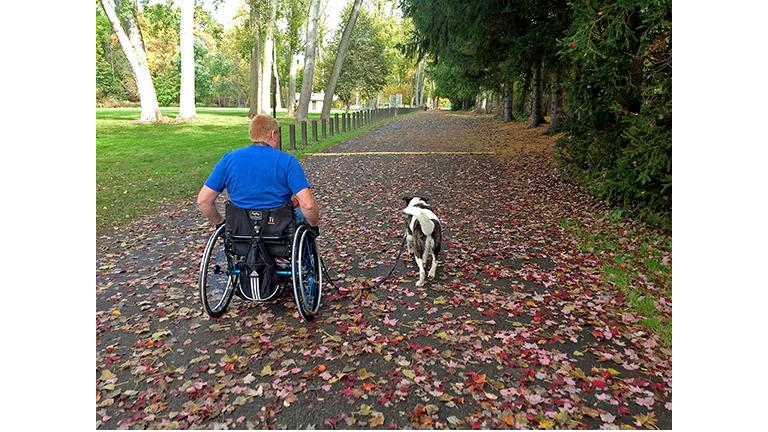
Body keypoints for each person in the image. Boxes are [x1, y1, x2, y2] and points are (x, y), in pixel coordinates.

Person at [196, 115, 320, 238]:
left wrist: (220, 223)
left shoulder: (228, 160)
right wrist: (313, 225)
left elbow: (203, 201)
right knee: (302, 212)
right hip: (279, 228)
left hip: (240, 228)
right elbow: (308, 205)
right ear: (274, 134)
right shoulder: (287, 161)